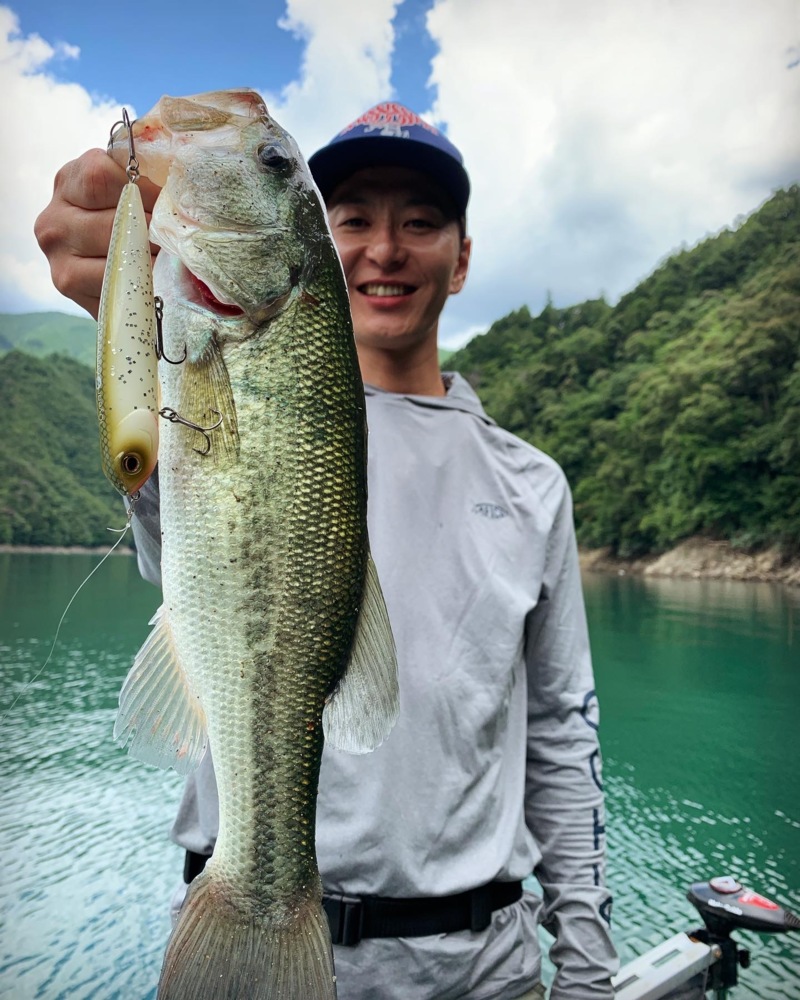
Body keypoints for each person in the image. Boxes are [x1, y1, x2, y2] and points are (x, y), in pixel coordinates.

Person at [35, 100, 618, 999]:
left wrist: (588, 974)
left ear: (462, 258)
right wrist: (122, 303)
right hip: (237, 935)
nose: (385, 249)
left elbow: (563, 737)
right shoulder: (200, 361)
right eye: (352, 218)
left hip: (482, 970)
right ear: (320, 243)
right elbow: (165, 522)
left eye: (420, 222)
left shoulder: (533, 485)